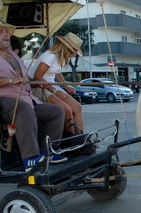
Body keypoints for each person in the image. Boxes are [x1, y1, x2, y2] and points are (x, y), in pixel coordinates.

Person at [0, 21, 67, 170]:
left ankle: (49, 151)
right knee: (24, 110)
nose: (6, 34)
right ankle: (30, 159)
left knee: (56, 111)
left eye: (6, 31)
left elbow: (24, 78)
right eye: (1, 32)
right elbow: (14, 79)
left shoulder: (12, 55)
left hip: (26, 99)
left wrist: (36, 83)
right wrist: (10, 80)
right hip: (5, 101)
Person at [28, 32, 84, 134]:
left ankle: (82, 138)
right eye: (73, 51)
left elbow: (57, 72)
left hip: (50, 86)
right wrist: (55, 91)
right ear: (65, 48)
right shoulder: (49, 57)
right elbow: (37, 77)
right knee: (66, 109)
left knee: (77, 107)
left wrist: (65, 85)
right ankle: (73, 139)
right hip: (39, 88)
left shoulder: (59, 57)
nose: (73, 54)